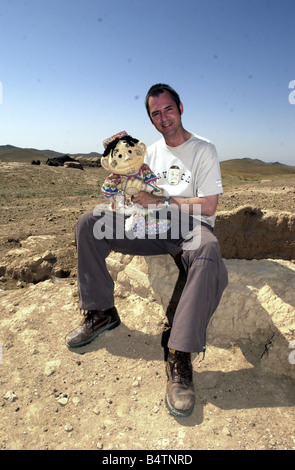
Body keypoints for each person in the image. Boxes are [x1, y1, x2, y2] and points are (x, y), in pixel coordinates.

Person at [66, 83, 228, 418]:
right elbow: (134, 187)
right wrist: (121, 190)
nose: (163, 117)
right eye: (156, 113)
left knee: (209, 250)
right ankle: (101, 313)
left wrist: (165, 200)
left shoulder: (204, 150)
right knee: (89, 222)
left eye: (168, 109)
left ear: (181, 108)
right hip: (149, 227)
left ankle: (179, 354)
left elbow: (209, 205)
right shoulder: (149, 152)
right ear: (151, 119)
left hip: (188, 227)